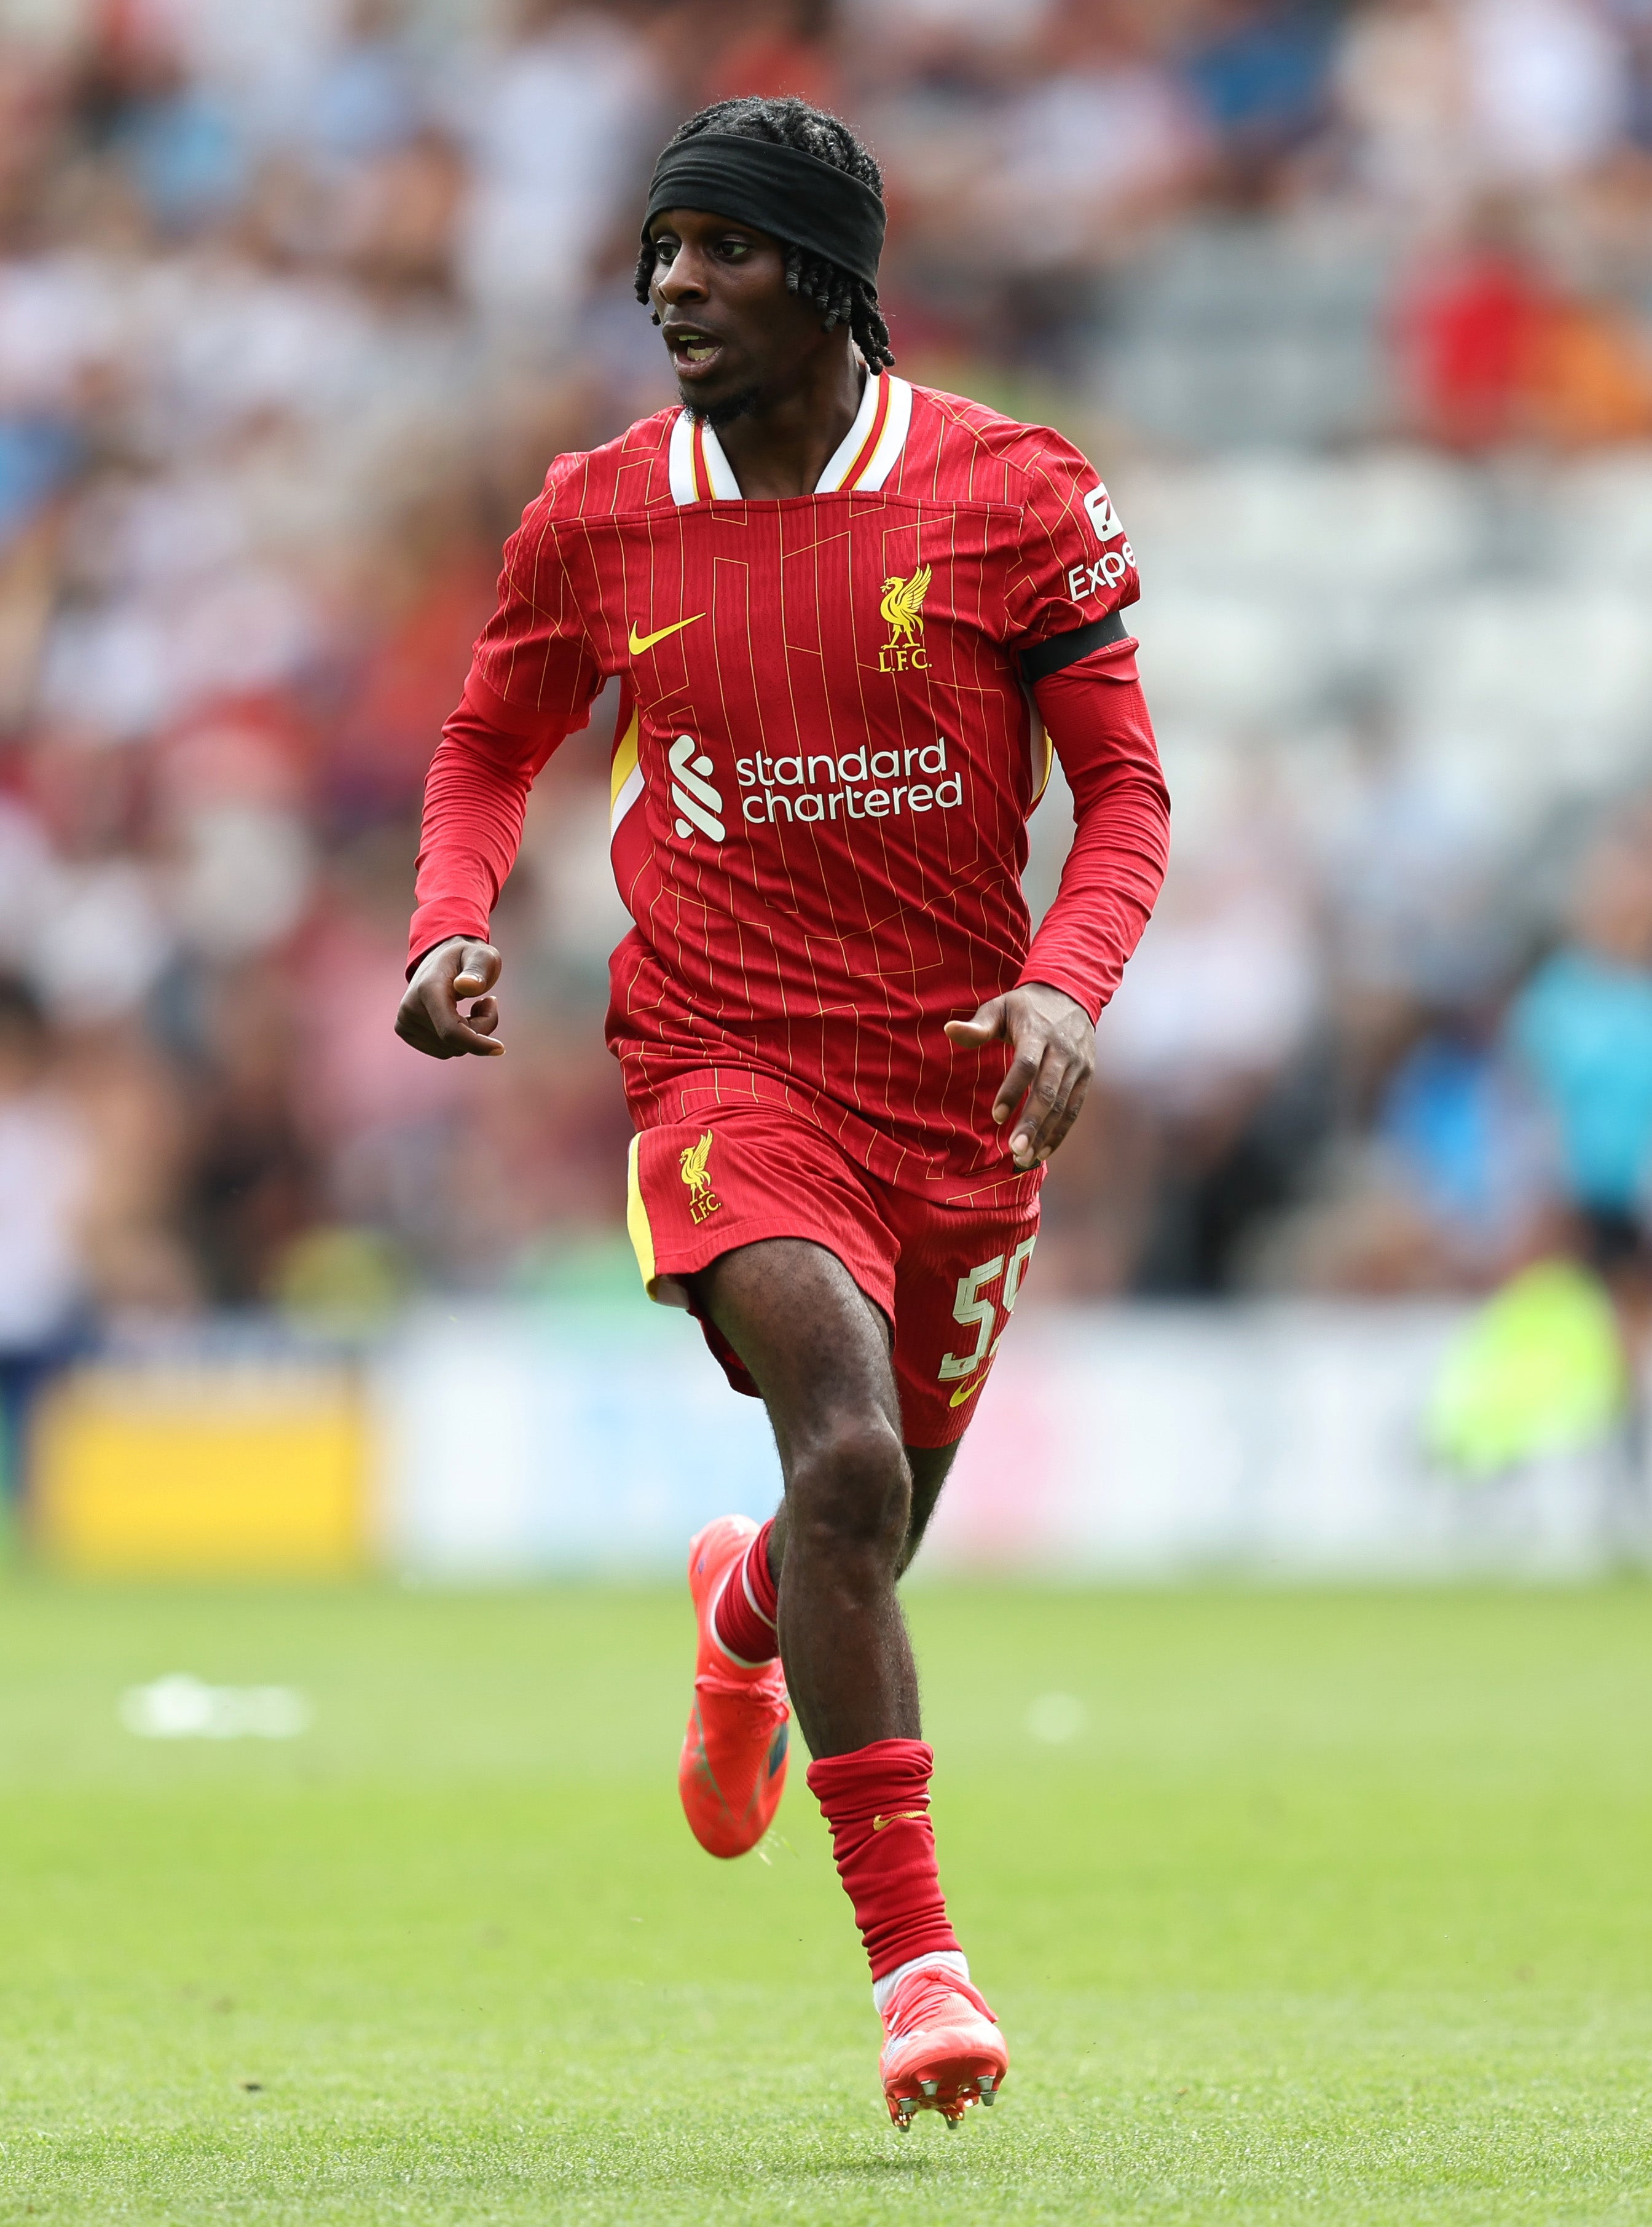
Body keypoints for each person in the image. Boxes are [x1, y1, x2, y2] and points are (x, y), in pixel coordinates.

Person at [396, 95, 1170, 2127]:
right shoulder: (599, 514)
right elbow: (488, 742)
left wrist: (1063, 991)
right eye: (660, 251)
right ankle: (922, 1974)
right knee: (841, 1450)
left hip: (956, 1095)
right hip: (725, 1062)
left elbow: (1128, 797)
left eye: (720, 249)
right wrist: (447, 920)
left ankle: (740, 1611)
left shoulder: (1010, 493)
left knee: (863, 1520)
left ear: (827, 276)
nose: (673, 286)